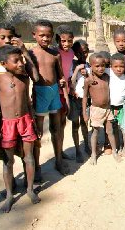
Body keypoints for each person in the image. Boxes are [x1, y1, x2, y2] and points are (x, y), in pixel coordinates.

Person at [0, 46, 41, 213]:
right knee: (8, 161)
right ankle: (9, 195)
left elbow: (27, 102)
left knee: (29, 158)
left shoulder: (25, 79)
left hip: (26, 120)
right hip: (8, 123)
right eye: (16, 61)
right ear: (4, 64)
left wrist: (33, 121)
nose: (21, 63)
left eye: (22, 60)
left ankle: (29, 190)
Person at [29, 20, 68, 176]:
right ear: (34, 35)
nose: (45, 39)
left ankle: (58, 160)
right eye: (42, 35)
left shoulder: (55, 54)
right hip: (40, 92)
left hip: (54, 93)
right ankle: (37, 167)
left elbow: (61, 76)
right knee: (38, 131)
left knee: (56, 129)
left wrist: (63, 88)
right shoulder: (30, 54)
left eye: (48, 36)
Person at [82, 53, 121, 164]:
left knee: (110, 131)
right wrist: (85, 113)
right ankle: (93, 154)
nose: (100, 68)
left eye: (103, 65)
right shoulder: (88, 81)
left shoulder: (106, 77)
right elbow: (85, 97)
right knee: (95, 133)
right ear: (91, 66)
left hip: (108, 109)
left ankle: (114, 152)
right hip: (96, 109)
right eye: (97, 66)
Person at [69, 40, 90, 162]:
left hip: (85, 99)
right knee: (75, 125)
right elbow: (71, 82)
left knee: (84, 123)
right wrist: (77, 70)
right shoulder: (72, 65)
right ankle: (77, 149)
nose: (83, 54)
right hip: (75, 99)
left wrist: (86, 74)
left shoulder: (89, 65)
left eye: (85, 52)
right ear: (75, 53)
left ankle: (86, 145)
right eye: (79, 52)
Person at [56, 25, 72, 160]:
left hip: (67, 91)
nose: (66, 44)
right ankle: (58, 154)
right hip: (56, 92)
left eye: (69, 40)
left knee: (62, 123)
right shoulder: (55, 53)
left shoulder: (72, 53)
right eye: (63, 41)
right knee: (56, 125)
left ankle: (61, 151)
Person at [109, 53, 125, 151]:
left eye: (121, 66)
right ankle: (118, 145)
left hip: (122, 107)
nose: (119, 69)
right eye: (115, 66)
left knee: (124, 128)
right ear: (111, 67)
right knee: (114, 127)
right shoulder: (109, 73)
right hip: (111, 107)